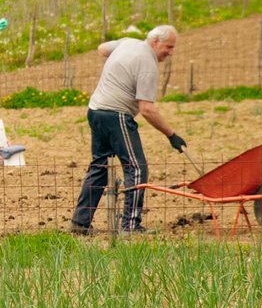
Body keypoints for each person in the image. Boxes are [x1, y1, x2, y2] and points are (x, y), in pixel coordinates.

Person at [70, 25, 186, 235]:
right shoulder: (147, 64)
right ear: (155, 42)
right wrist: (172, 135)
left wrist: (119, 67)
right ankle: (130, 226)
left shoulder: (128, 43)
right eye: (168, 47)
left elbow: (102, 49)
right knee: (136, 168)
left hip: (95, 110)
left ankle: (80, 223)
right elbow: (147, 109)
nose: (171, 52)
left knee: (100, 167)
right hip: (116, 115)